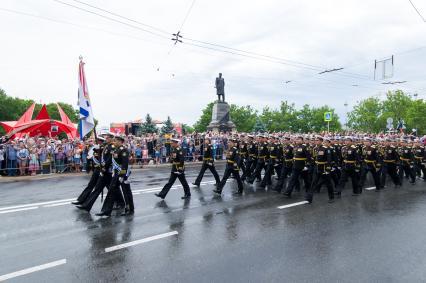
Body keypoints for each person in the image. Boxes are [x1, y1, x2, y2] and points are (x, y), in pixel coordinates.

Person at [96, 136, 134, 217]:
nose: (114, 142)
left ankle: (129, 209)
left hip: (123, 174)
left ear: (120, 141)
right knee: (111, 190)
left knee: (126, 192)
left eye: (116, 141)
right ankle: (106, 210)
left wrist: (122, 175)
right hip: (116, 173)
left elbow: (125, 164)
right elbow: (111, 161)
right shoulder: (116, 149)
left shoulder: (124, 150)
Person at [72, 137, 105, 205]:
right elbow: (91, 158)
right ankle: (81, 200)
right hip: (96, 169)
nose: (96, 142)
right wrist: (89, 168)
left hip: (104, 171)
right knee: (90, 185)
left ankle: (119, 201)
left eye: (97, 141)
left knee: (111, 188)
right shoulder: (95, 148)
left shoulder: (104, 149)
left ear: (101, 141)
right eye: (96, 140)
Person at [306, 136, 335, 203]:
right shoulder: (315, 148)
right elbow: (314, 158)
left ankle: (331, 197)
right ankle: (309, 198)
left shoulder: (326, 149)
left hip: (324, 168)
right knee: (313, 182)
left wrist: (328, 170)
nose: (316, 141)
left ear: (321, 141)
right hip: (317, 167)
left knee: (328, 183)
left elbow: (329, 160)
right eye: (316, 140)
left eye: (317, 140)